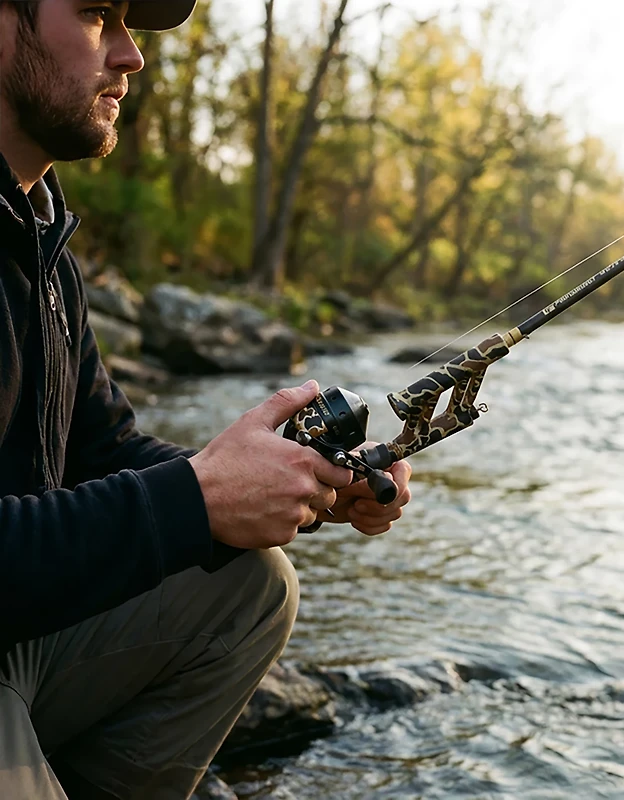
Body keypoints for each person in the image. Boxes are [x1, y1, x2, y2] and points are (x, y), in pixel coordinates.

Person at [0, 1, 413, 798]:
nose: (133, 56)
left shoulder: (40, 242)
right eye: (95, 15)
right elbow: (152, 502)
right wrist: (193, 499)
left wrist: (296, 479)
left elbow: (108, 452)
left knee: (253, 585)